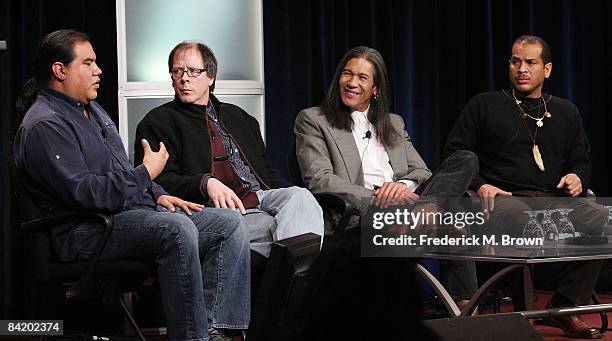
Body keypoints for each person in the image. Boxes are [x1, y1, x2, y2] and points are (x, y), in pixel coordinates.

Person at [13, 30, 250, 341]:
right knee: (175, 230)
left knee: (228, 224)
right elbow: (88, 194)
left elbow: (120, 171)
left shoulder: (90, 108)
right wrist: (147, 174)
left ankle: (215, 329)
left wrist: (159, 194)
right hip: (84, 229)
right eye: (88, 63)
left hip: (122, 214)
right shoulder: (46, 124)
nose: (98, 70)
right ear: (60, 70)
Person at [444, 35, 608, 339]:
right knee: (523, 218)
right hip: (503, 200)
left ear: (547, 69)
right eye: (515, 61)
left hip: (555, 201)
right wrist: (480, 185)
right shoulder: (484, 104)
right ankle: (524, 316)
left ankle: (564, 307)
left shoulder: (566, 111)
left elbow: (581, 162)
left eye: (530, 62)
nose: (521, 68)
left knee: (606, 220)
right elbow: (456, 156)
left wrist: (577, 178)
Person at [294, 46, 479, 310]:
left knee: (465, 159)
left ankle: (465, 312)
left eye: (362, 78)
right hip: (362, 217)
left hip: (407, 211)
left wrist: (401, 187)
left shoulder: (393, 123)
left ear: (375, 89)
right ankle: (465, 307)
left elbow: (422, 173)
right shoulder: (314, 119)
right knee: (454, 210)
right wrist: (382, 198)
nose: (352, 83)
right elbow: (320, 179)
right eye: (347, 74)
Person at [134, 41, 323, 258]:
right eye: (178, 71)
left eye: (194, 71)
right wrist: (204, 183)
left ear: (211, 77)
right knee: (296, 233)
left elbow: (267, 173)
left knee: (301, 198)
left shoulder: (240, 117)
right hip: (221, 211)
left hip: (260, 197)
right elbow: (157, 182)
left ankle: (292, 278)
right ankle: (298, 288)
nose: (184, 78)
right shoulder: (158, 122)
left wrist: (307, 209)